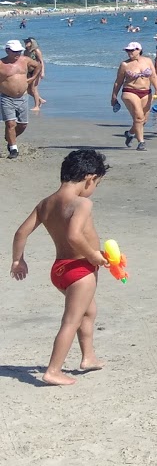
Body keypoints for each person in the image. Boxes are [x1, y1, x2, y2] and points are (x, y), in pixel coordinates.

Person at [10, 148, 111, 385]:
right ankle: (53, 370)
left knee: (88, 311)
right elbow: (74, 236)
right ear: (89, 178)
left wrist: (18, 259)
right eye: (97, 183)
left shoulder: (46, 203)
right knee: (71, 320)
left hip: (60, 270)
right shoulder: (82, 204)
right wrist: (94, 256)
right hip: (80, 270)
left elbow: (21, 232)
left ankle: (88, 357)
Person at [111, 42, 157, 150]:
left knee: (143, 120)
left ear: (139, 50)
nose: (129, 52)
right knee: (139, 117)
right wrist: (114, 96)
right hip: (130, 91)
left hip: (146, 92)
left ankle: (130, 133)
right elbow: (118, 82)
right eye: (127, 50)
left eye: (131, 50)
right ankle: (141, 142)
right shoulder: (125, 64)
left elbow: (154, 77)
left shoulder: (148, 61)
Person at [1, 39, 40, 159]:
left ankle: (9, 138)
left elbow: (37, 65)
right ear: (7, 50)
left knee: (22, 125)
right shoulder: (1, 64)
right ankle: (13, 149)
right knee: (10, 123)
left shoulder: (25, 60)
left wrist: (32, 78)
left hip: (22, 97)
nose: (17, 54)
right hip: (6, 98)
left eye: (19, 51)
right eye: (15, 51)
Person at [23, 37, 45, 110]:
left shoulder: (36, 51)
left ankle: (37, 106)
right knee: (28, 89)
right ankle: (40, 100)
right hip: (28, 70)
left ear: (31, 43)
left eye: (27, 42)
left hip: (36, 70)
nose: (25, 43)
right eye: (25, 42)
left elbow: (41, 61)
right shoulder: (26, 51)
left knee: (34, 88)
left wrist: (42, 72)